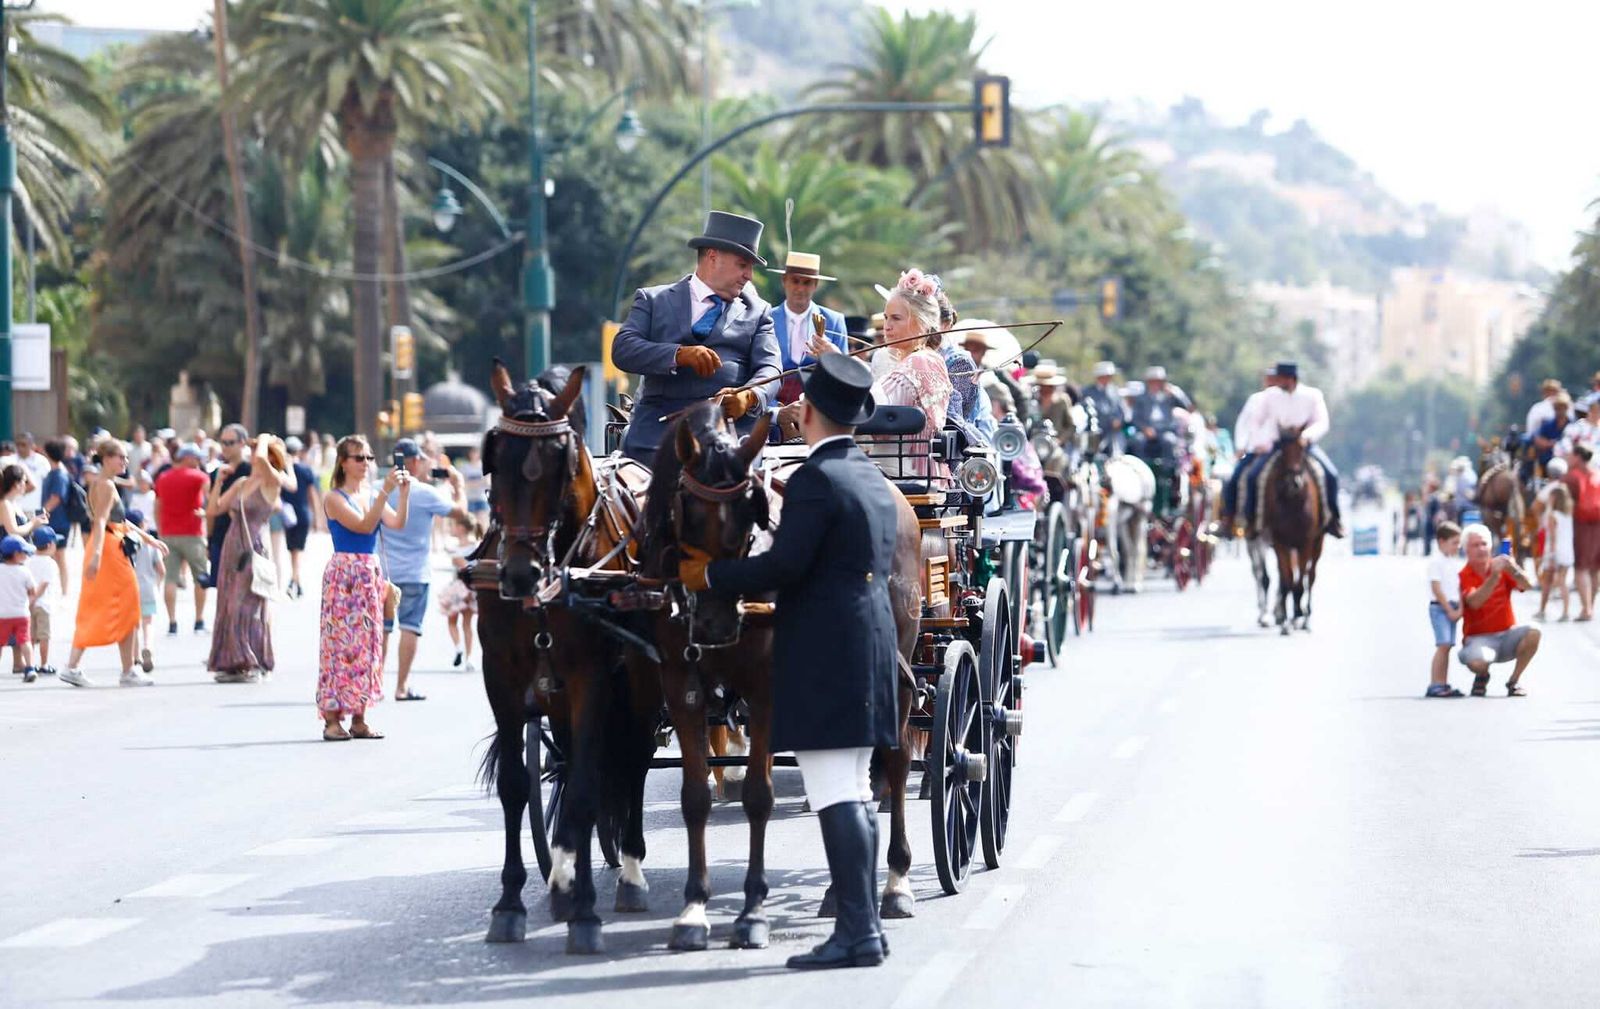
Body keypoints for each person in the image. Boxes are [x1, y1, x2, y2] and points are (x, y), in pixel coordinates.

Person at [678, 353, 894, 970]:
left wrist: (710, 573)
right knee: (853, 788)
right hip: (868, 643)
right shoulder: (868, 476)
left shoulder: (816, 480)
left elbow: (781, 569)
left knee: (834, 791)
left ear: (807, 412)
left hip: (828, 649)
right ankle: (866, 927)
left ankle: (856, 932)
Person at [612, 210, 781, 464]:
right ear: (713, 257)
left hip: (729, 435)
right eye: (743, 265)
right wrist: (678, 354)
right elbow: (623, 348)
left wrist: (749, 396)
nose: (749, 276)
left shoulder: (758, 312)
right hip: (658, 434)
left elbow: (771, 367)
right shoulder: (653, 300)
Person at [319, 435, 410, 741]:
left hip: (369, 572)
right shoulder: (334, 497)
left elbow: (396, 524)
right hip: (345, 573)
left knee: (368, 646)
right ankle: (332, 718)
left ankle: (359, 716)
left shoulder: (372, 494)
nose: (365, 464)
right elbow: (362, 527)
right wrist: (385, 492)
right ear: (343, 462)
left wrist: (403, 494)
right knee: (338, 646)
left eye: (369, 458)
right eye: (359, 458)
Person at [382, 438, 472, 701]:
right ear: (412, 461)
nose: (424, 463)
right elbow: (461, 512)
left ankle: (374, 684)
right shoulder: (426, 493)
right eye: (421, 459)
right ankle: (401, 686)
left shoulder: (379, 488)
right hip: (415, 572)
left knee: (383, 629)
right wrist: (458, 486)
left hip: (385, 571)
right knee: (410, 627)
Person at [63, 441, 157, 687]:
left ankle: (78, 665)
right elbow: (101, 521)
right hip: (108, 549)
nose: (125, 462)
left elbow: (119, 520)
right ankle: (126, 670)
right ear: (105, 458)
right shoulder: (105, 484)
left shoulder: (103, 483)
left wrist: (148, 538)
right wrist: (95, 557)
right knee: (126, 605)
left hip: (107, 544)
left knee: (103, 604)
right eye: (121, 458)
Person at [207, 434, 294, 683]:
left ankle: (252, 659)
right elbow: (214, 509)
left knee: (245, 604)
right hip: (232, 545)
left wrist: (265, 440)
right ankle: (232, 661)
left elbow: (260, 459)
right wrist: (218, 483)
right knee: (227, 603)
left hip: (254, 546)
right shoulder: (242, 482)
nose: (253, 456)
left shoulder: (272, 482)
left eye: (257, 452)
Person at [1243, 361, 1344, 537]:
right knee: (1253, 476)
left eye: (1280, 377)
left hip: (1304, 445)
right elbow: (1255, 421)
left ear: (1290, 378)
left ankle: (1333, 519)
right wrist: (1261, 442)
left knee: (1330, 475)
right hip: (1278, 446)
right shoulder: (1270, 396)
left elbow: (1322, 422)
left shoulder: (1312, 395)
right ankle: (1252, 521)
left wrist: (1307, 436)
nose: (1277, 380)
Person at [868, 269, 953, 479]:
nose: (887, 326)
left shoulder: (920, 361)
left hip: (907, 476)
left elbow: (873, 405)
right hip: (900, 470)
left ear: (922, 323)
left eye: (896, 318)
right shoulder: (922, 359)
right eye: (886, 318)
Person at [1457, 523, 1539, 697]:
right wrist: (1494, 576)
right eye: (1475, 545)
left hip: (1507, 634)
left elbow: (1528, 585)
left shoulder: (1502, 566)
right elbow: (1475, 602)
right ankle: (1482, 675)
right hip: (1479, 638)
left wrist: (1513, 569)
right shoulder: (1464, 574)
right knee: (1478, 662)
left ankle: (1514, 681)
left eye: (1484, 544)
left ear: (1491, 546)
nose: (1481, 549)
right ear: (1466, 550)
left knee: (1534, 631)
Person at [769, 250, 847, 405]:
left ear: (816, 285)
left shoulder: (834, 321)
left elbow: (844, 371)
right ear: (784, 280)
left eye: (807, 282)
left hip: (819, 404)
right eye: (795, 281)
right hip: (773, 405)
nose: (800, 288)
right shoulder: (767, 319)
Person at [155, 444, 211, 635]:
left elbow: (158, 505)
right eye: (196, 458)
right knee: (201, 578)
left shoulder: (163, 478)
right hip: (193, 533)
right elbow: (211, 496)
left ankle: (172, 623)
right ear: (188, 457)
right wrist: (207, 513)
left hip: (169, 533)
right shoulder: (199, 476)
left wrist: (160, 530)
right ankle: (199, 621)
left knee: (170, 578)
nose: (198, 462)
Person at [1219, 368, 1282, 534]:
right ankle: (1231, 517)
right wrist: (1242, 446)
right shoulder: (1256, 400)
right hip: (1257, 450)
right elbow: (1244, 424)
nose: (1271, 382)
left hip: (1281, 449)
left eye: (1274, 379)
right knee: (1235, 478)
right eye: (1268, 379)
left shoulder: (1287, 399)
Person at [202, 423, 253, 596]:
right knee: (223, 594)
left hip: (244, 539)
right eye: (222, 442)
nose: (225, 447)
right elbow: (211, 511)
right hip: (220, 537)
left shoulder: (251, 472)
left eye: (230, 442)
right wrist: (209, 541)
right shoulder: (217, 472)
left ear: (242, 443)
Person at [1424, 521, 1465, 698]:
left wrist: (1460, 608)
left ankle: (1443, 682)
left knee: (1448, 646)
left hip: (1453, 607)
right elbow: (1437, 588)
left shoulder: (1452, 562)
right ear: (1442, 541)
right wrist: (1449, 609)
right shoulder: (1436, 562)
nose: (1458, 547)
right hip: (1441, 608)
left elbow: (1457, 587)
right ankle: (1435, 683)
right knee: (1442, 645)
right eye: (1454, 542)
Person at [1563, 445, 1600, 621]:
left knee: (1581, 568)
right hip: (1598, 524)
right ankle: (1590, 606)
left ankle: (1586, 609)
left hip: (1581, 525)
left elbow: (1559, 502)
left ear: (1577, 457)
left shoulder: (1571, 477)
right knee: (1594, 569)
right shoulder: (1597, 474)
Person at [438, 514, 479, 672]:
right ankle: (469, 658)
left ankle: (458, 647)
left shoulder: (457, 549)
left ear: (461, 528)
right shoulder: (476, 547)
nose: (451, 529)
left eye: (453, 526)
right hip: (471, 587)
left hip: (458, 587)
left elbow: (461, 565)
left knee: (452, 622)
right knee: (467, 624)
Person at [124, 509, 164, 673]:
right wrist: (158, 584)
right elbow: (161, 569)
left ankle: (135, 657)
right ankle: (148, 647)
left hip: (130, 587)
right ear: (141, 524)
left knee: (133, 624)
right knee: (148, 622)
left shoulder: (125, 543)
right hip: (148, 587)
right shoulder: (151, 544)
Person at [0, 534, 41, 683]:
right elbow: (33, 592)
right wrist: (27, 603)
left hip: (2, 614)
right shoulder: (25, 572)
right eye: (24, 552)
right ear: (17, 554)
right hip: (21, 614)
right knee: (25, 641)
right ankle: (29, 668)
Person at [281, 436, 318, 599]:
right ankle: (296, 579)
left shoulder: (282, 470)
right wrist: (316, 516)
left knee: (292, 549)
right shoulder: (305, 469)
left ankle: (294, 579)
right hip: (302, 512)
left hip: (287, 514)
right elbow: (312, 495)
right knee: (299, 549)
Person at [1536, 483, 1575, 622]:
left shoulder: (1552, 516)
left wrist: (1551, 555)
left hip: (1554, 551)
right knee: (1563, 582)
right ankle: (1565, 612)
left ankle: (1542, 610)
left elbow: (1552, 537)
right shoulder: (1568, 515)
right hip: (1567, 551)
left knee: (1546, 581)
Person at [39, 439, 73, 593]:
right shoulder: (54, 472)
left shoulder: (60, 474)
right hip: (53, 521)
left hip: (59, 521)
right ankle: (53, 589)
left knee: (59, 556)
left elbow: (56, 498)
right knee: (52, 557)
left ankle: (64, 590)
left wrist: (41, 513)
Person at [28, 526, 59, 678]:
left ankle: (30, 663)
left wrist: (29, 600)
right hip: (44, 605)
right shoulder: (50, 563)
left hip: (29, 605)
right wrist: (35, 598)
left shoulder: (28, 561)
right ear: (48, 545)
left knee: (31, 636)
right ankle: (44, 664)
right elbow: (44, 584)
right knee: (44, 635)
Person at [1082, 361, 1128, 456]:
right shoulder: (1087, 392)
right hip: (1094, 431)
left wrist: (1118, 420)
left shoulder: (1115, 391)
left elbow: (1121, 410)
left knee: (1117, 451)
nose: (1108, 379)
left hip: (1113, 432)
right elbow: (1087, 410)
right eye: (1105, 376)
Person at [1531, 394, 1571, 473]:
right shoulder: (1548, 424)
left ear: (1566, 408)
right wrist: (1551, 444)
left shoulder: (1573, 425)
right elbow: (1538, 440)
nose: (1559, 411)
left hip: (1567, 460)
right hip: (1548, 459)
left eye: (1561, 408)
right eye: (1556, 408)